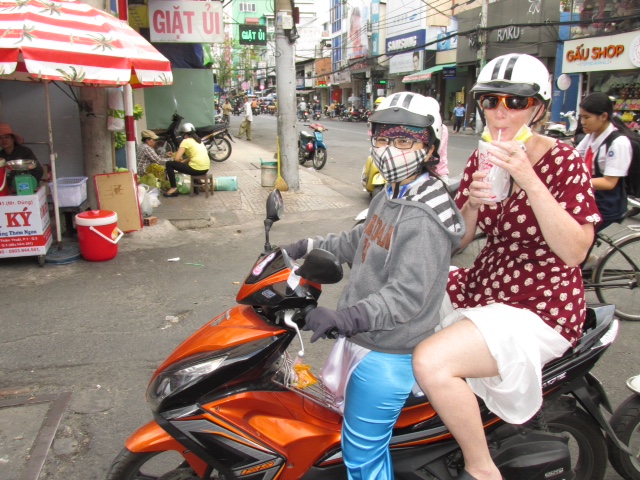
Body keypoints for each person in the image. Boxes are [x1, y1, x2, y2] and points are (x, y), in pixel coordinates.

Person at [412, 53, 601, 480]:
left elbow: (575, 251)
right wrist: (471, 205)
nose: (500, 112)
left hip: (542, 301)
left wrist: (529, 179)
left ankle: (482, 468)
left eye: (515, 102)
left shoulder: (564, 160)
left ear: (538, 108)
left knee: (431, 361)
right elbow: (459, 242)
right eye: (490, 100)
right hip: (487, 282)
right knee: (406, 298)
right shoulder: (483, 157)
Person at [282, 92, 465, 480]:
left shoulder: (423, 218)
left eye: (404, 141)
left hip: (389, 352)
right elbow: (358, 240)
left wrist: (345, 318)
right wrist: (304, 247)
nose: (389, 150)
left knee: (361, 453)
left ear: (429, 147)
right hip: (366, 340)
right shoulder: (392, 193)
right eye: (382, 138)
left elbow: (407, 296)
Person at [575, 92, 633, 232]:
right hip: (590, 198)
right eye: (581, 117)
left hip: (606, 205)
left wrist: (576, 181)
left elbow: (609, 182)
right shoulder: (591, 136)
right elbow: (574, 156)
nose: (582, 122)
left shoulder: (618, 143)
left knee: (575, 235)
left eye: (587, 117)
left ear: (603, 116)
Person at [162, 123, 209, 198]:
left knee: (169, 164)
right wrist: (182, 162)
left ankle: (173, 188)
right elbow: (192, 157)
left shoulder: (186, 141)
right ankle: (196, 186)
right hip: (205, 169)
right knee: (190, 164)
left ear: (184, 134)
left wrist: (178, 160)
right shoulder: (199, 141)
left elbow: (176, 159)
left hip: (196, 169)